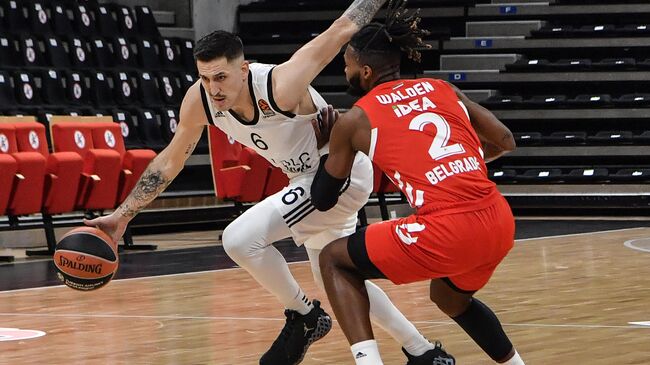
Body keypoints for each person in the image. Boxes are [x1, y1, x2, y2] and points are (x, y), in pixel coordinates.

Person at [85, 1, 456, 364]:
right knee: (335, 277)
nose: (213, 89)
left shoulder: (280, 85)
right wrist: (123, 216)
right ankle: (423, 351)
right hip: (307, 179)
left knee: (240, 239)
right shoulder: (199, 102)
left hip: (337, 173)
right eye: (205, 78)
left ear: (243, 70)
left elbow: (342, 27)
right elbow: (169, 161)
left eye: (221, 77)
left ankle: (306, 317)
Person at [310, 1, 525, 364]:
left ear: (364, 71)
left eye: (346, 63)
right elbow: (505, 140)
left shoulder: (356, 119)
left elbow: (323, 197)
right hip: (498, 220)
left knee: (333, 259)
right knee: (449, 299)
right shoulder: (442, 88)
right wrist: (463, 162)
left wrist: (328, 145)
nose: (343, 69)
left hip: (447, 228)